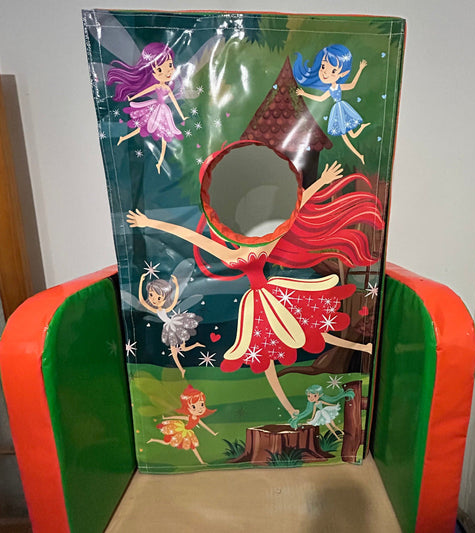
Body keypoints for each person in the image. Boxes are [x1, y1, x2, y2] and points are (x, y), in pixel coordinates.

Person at [128, 141, 384, 414]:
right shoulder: (237, 250)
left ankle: (363, 348)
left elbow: (294, 214)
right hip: (260, 302)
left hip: (273, 294)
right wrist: (150, 223)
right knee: (267, 355)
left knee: (312, 328)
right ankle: (290, 408)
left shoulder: (261, 243)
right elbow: (190, 236)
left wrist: (321, 181)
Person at [107, 42, 188, 173]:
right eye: (160, 69)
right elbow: (143, 92)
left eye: (170, 65)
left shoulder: (167, 87)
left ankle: (160, 163)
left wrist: (182, 116)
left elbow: (173, 100)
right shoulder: (157, 86)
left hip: (163, 112)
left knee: (163, 136)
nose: (168, 71)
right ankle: (124, 138)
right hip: (155, 108)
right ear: (152, 71)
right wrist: (132, 97)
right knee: (142, 127)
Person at [293, 44, 369, 164]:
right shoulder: (330, 89)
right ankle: (360, 152)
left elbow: (352, 85)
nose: (325, 73)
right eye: (323, 66)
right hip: (338, 110)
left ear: (342, 74)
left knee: (349, 136)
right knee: (349, 135)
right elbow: (320, 99)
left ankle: (360, 154)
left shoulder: (338, 86)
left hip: (342, 109)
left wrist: (360, 69)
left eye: (333, 71)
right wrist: (304, 93)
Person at [138, 273, 203, 377]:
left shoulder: (165, 309)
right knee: (179, 350)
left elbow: (174, 299)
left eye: (159, 298)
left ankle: (183, 368)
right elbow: (142, 300)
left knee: (177, 350)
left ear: (165, 298)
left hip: (174, 325)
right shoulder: (156, 309)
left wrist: (177, 285)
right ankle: (184, 365)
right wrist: (141, 282)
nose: (154, 300)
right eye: (151, 295)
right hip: (170, 328)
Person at [148, 385, 217, 465]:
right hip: (181, 430)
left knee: (193, 448)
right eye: (194, 407)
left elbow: (205, 426)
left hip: (188, 433)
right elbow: (178, 417)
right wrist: (166, 418)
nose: (200, 409)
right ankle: (153, 439)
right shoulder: (189, 417)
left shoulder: (198, 419)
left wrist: (213, 433)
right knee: (167, 442)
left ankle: (201, 462)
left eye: (202, 405)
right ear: (188, 408)